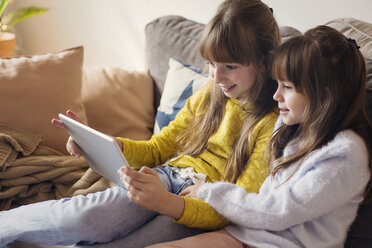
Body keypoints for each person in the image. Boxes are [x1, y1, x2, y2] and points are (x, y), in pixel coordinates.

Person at [0, 0, 280, 247]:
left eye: (229, 66)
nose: (216, 77)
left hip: (200, 209)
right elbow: (158, 148)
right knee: (85, 217)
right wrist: (103, 144)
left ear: (265, 60)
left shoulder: (272, 123)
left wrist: (168, 203)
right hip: (167, 178)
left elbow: (240, 207)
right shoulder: (212, 92)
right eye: (210, 64)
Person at [147, 25, 372, 248]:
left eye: (287, 87)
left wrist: (208, 193)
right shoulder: (289, 128)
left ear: (325, 95)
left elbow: (279, 211)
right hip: (246, 235)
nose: (276, 95)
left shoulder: (346, 153)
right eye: (277, 84)